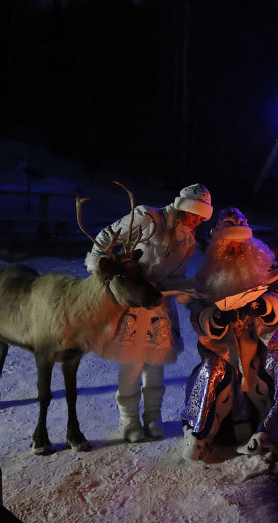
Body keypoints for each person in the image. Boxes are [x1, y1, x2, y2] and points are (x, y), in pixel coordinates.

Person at [84, 183, 213, 442]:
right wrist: (101, 267)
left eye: (201, 218)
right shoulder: (147, 217)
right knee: (132, 362)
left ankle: (153, 417)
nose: (196, 222)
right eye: (193, 215)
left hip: (159, 304)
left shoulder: (187, 240)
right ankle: (129, 421)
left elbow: (176, 274)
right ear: (182, 208)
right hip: (132, 300)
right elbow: (107, 236)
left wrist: (183, 289)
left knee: (156, 362)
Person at [182, 207, 278, 461]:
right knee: (212, 373)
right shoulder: (206, 276)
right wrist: (215, 317)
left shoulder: (268, 268)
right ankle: (198, 435)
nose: (234, 251)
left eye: (240, 246)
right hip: (223, 347)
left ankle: (267, 429)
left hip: (260, 345)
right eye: (228, 247)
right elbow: (196, 311)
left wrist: (264, 304)